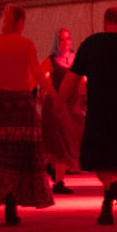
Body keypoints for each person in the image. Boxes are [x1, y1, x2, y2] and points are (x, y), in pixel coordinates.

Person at [57, 7, 117, 228]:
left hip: (100, 112)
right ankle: (107, 209)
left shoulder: (91, 43)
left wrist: (59, 102)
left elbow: (72, 78)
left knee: (99, 161)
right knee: (116, 160)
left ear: (104, 23)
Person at [0, 4, 53, 225]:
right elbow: (38, 75)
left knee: (1, 156)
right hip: (22, 105)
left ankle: (6, 197)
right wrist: (56, 96)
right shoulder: (26, 44)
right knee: (22, 158)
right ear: (20, 22)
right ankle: (13, 201)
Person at [41, 27, 82, 193]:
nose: (66, 42)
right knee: (63, 143)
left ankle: (53, 170)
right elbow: (38, 77)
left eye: (68, 38)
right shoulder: (50, 61)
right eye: (62, 39)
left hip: (73, 106)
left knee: (70, 142)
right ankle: (58, 182)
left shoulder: (76, 59)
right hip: (57, 107)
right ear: (56, 42)